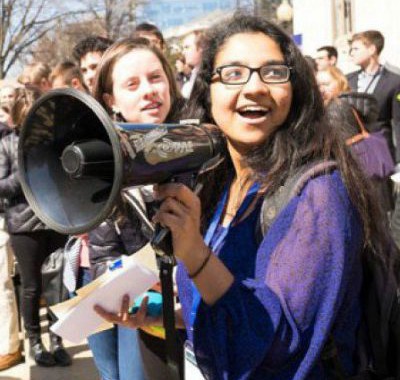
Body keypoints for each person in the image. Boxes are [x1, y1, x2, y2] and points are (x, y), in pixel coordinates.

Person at [95, 14, 387, 379]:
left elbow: (277, 344)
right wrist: (156, 316)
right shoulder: (227, 184)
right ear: (208, 92)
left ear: (295, 90)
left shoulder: (319, 195)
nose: (255, 87)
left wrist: (195, 253)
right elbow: (227, 313)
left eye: (274, 72)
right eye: (233, 73)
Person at [89, 37, 185, 380]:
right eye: (132, 84)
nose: (149, 91)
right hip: (150, 323)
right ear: (111, 100)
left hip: (207, 321)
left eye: (156, 78)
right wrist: (134, 279)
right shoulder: (104, 171)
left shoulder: (208, 146)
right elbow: (101, 261)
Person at [0, 88, 71, 367]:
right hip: (23, 224)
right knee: (31, 288)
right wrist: (25, 172)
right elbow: (2, 186)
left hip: (55, 218)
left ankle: (57, 339)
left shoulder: (53, 143)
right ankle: (35, 343)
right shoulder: (7, 144)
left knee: (57, 286)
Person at [347, 30, 400, 163]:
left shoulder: (394, 81)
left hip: (381, 153)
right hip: (352, 152)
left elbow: (398, 122)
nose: (351, 53)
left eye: (355, 49)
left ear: (371, 49)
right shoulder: (348, 80)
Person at [181, 30, 205, 99]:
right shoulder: (195, 72)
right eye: (183, 48)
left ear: (201, 48)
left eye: (187, 47)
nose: (183, 52)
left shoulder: (210, 74)